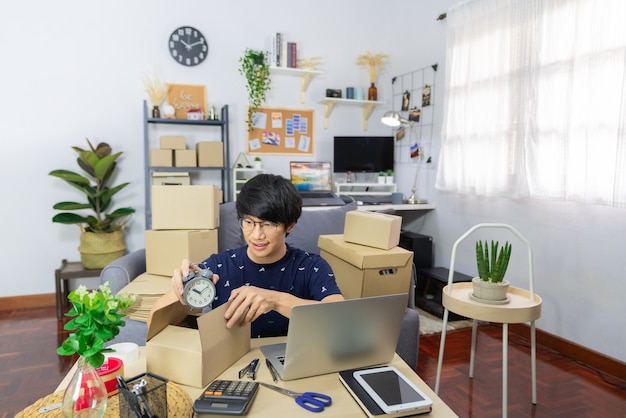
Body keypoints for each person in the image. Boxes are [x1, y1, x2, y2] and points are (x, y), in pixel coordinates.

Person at [171, 173, 344, 338]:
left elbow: (342, 320)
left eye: (268, 225)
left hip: (293, 362)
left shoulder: (312, 266)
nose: (256, 235)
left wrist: (275, 300)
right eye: (248, 222)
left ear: (290, 226)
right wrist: (181, 287)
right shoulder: (218, 266)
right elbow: (153, 323)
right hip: (233, 363)